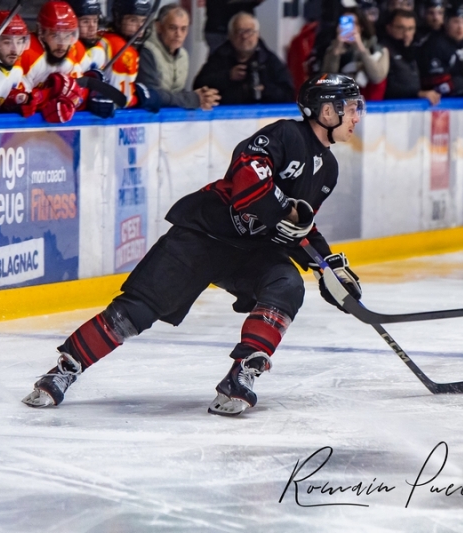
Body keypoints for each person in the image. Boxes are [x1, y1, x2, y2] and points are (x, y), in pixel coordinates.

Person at [22, 74, 366, 417]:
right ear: (326, 111)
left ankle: (242, 373)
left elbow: (300, 225)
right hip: (204, 234)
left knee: (286, 284)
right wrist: (283, 212)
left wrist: (328, 266)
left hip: (250, 251)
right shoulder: (286, 134)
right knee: (136, 311)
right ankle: (65, 369)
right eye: (350, 108)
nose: (356, 117)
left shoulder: (328, 170)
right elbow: (247, 177)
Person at [192, 12, 294, 105]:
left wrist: (264, 89)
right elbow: (198, 87)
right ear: (230, 35)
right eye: (239, 31)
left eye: (249, 31)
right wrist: (228, 76)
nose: (244, 36)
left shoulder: (269, 60)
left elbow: (289, 94)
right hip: (226, 113)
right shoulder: (219, 57)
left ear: (257, 34)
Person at [137, 5, 220, 110]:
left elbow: (176, 93)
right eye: (172, 28)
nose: (178, 34)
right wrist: (192, 99)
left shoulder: (183, 55)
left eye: (183, 29)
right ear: (159, 27)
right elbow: (152, 95)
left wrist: (203, 97)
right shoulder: (146, 51)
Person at [417, 3, 463, 99]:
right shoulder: (434, 44)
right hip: (436, 102)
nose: (460, 27)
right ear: (446, 22)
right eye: (456, 21)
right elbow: (434, 83)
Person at [320, 8, 389, 101]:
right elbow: (327, 82)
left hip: (370, 102)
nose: (348, 27)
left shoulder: (378, 50)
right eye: (344, 23)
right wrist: (336, 52)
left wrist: (361, 48)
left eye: (353, 23)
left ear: (361, 27)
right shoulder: (332, 50)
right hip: (341, 101)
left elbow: (377, 77)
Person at [381, 9, 440, 104]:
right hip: (388, 108)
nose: (406, 34)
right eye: (401, 28)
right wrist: (417, 94)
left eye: (410, 29)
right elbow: (386, 88)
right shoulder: (382, 50)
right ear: (389, 28)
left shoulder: (416, 50)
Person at [0, 10, 29, 117]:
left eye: (19, 42)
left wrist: (16, 98)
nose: (15, 50)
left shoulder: (17, 67)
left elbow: (6, 96)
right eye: (7, 42)